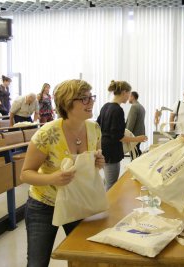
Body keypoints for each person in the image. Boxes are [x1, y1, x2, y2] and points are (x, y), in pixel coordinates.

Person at [20, 79, 105, 267]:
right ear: (67, 103)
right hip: (44, 205)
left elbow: (94, 162)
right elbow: (25, 174)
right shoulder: (46, 133)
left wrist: (99, 162)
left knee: (83, 259)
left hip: (78, 201)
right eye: (84, 98)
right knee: (37, 263)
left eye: (91, 97)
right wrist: (53, 178)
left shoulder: (94, 128)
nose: (91, 102)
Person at [97, 80, 147, 190]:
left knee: (107, 181)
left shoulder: (105, 106)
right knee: (112, 184)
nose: (129, 97)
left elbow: (98, 126)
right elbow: (118, 136)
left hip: (103, 148)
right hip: (112, 151)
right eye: (129, 93)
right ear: (124, 92)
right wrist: (137, 138)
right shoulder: (117, 110)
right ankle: (108, 206)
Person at [126, 91, 146, 159]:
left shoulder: (134, 106)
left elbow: (131, 123)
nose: (128, 98)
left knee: (134, 156)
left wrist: (126, 135)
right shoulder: (141, 107)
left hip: (134, 135)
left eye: (129, 96)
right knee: (137, 153)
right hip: (140, 134)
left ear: (132, 97)